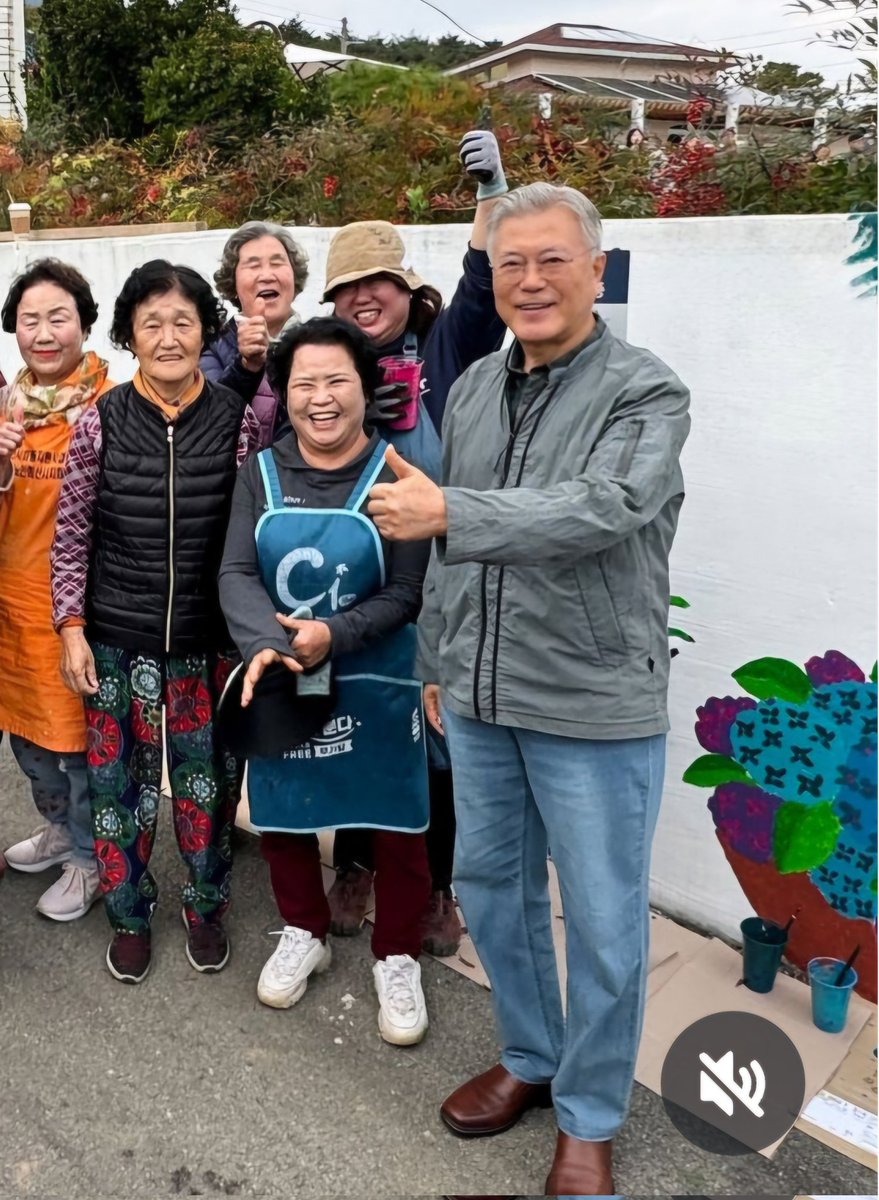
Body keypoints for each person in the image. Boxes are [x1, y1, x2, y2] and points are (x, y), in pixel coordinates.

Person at [366, 182, 690, 1195]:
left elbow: (602, 509)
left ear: (598, 270)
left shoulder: (646, 391)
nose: (532, 280)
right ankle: (532, 1057)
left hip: (592, 700)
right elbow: (453, 554)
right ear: (492, 280)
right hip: (477, 693)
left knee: (601, 921)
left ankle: (591, 1113)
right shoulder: (472, 391)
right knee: (493, 893)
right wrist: (435, 662)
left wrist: (452, 510)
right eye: (512, 263)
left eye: (554, 259)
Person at [218, 316, 432, 1045]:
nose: (320, 397)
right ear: (284, 392)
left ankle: (396, 952)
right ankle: (302, 929)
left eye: (336, 379)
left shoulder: (395, 477)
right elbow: (236, 571)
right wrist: (263, 643)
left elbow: (406, 595)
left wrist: (330, 636)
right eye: (303, 382)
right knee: (283, 814)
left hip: (378, 680)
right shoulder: (262, 472)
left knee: (398, 824)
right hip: (282, 675)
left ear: (365, 389)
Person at [322, 129, 509, 956]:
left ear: (404, 288)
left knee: (440, 744)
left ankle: (438, 889)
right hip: (357, 583)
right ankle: (355, 867)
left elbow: (479, 285)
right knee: (361, 725)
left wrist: (489, 194)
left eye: (378, 283)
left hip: (438, 586)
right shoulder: (329, 366)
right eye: (347, 288)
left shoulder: (443, 350)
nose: (364, 298)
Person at [51, 260, 261, 984]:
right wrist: (70, 626)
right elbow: (72, 532)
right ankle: (129, 915)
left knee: (208, 788)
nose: (168, 337)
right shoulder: (100, 421)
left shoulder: (239, 421)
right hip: (117, 642)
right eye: (151, 324)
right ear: (130, 336)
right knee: (120, 789)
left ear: (205, 332)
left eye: (183, 322)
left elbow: (258, 532)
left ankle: (205, 906)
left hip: (210, 644)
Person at [0, 260, 114, 922]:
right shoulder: (6, 405)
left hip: (74, 611)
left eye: (57, 317)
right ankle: (60, 832)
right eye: (28, 320)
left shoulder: (108, 403)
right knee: (26, 739)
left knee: (75, 745)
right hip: (11, 606)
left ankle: (89, 858)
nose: (43, 332)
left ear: (83, 324)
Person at [201, 220, 309, 448]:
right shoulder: (210, 347)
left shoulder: (321, 342)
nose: (267, 275)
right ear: (234, 285)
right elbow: (208, 424)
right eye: (253, 266)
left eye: (277, 263)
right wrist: (246, 366)